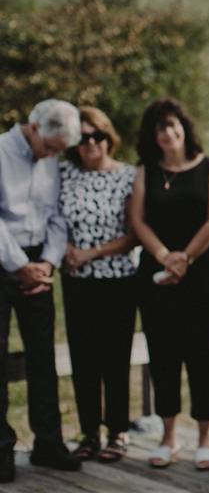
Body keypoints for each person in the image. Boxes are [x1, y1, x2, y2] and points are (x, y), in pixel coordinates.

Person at [129, 99, 209, 471]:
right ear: (152, 138)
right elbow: (137, 221)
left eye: (172, 125)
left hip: (203, 279)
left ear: (184, 127)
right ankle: (168, 436)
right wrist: (163, 256)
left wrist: (185, 257)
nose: (168, 133)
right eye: (159, 129)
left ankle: (206, 437)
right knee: (164, 358)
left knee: (204, 356)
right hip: (156, 280)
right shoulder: (146, 172)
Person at [0, 99, 83, 483]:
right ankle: (1, 452)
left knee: (42, 355)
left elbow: (56, 215)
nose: (53, 156)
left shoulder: (52, 160)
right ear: (33, 128)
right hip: (5, 261)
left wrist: (47, 263)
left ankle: (48, 443)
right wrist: (20, 266)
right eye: (50, 148)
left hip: (40, 266)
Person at [59, 107, 138, 463]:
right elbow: (51, 218)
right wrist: (67, 252)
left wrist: (90, 253)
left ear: (108, 138)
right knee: (83, 357)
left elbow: (132, 235)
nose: (90, 144)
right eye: (83, 138)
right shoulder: (65, 174)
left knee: (114, 357)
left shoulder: (127, 176)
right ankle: (89, 431)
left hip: (117, 279)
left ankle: (117, 431)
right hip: (77, 282)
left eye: (97, 136)